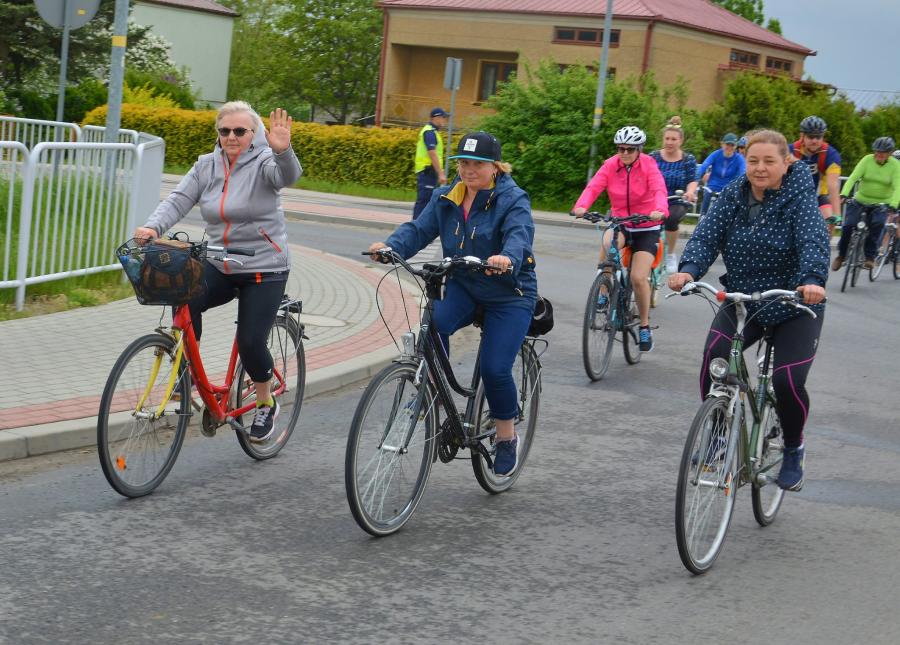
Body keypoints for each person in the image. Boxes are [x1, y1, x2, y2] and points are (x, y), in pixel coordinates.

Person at [368, 131, 537, 476]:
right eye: (463, 163)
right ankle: (432, 389)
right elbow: (419, 229)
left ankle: (506, 436)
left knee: (494, 368)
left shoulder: (512, 199)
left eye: (478, 164)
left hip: (509, 294)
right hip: (465, 286)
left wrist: (507, 257)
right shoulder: (446, 196)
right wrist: (391, 247)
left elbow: (519, 236)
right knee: (433, 325)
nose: (469, 169)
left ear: (495, 167)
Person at [668, 129, 829, 491]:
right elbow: (707, 235)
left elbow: (812, 242)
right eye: (753, 160)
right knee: (716, 356)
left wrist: (812, 280)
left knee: (787, 382)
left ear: (786, 162)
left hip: (794, 303)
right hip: (744, 300)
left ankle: (793, 448)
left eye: (769, 161)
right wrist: (689, 271)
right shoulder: (733, 195)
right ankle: (717, 432)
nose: (760, 168)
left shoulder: (801, 199)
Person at [134, 101, 302, 443]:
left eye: (240, 131)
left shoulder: (265, 163)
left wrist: (283, 152)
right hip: (220, 263)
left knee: (250, 340)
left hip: (264, 267)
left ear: (253, 133)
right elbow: (178, 200)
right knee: (184, 299)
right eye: (224, 131)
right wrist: (153, 227)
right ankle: (187, 376)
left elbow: (287, 176)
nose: (231, 137)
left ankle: (265, 402)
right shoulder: (206, 166)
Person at [572, 126, 668, 352]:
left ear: (639, 149)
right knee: (608, 243)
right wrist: (581, 206)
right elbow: (594, 186)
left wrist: (660, 210)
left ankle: (644, 326)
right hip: (622, 222)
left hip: (647, 225)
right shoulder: (610, 165)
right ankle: (604, 290)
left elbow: (659, 190)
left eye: (629, 149)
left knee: (638, 277)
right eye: (620, 148)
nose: (624, 153)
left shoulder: (649, 165)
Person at [834, 136, 900, 270]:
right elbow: (853, 178)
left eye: (883, 152)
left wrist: (893, 204)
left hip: (881, 203)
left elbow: (898, 186)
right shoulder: (867, 160)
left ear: (889, 153)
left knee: (878, 224)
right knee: (848, 226)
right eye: (877, 151)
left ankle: (869, 257)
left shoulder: (895, 165)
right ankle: (841, 256)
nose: (879, 154)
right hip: (860, 200)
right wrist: (844, 193)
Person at [649, 116, 699, 273]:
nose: (670, 142)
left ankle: (670, 254)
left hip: (676, 199)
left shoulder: (687, 159)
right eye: (667, 138)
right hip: (655, 198)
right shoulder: (653, 157)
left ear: (680, 141)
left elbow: (692, 180)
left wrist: (690, 192)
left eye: (673, 139)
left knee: (671, 219)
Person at [788, 116, 842, 236]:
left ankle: (823, 246)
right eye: (811, 137)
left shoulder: (831, 154)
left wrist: (836, 214)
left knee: (827, 226)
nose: (815, 141)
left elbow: (833, 185)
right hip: (793, 196)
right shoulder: (790, 150)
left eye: (818, 137)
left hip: (818, 197)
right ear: (802, 136)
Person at [696, 133, 746, 218]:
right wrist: (696, 180)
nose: (729, 147)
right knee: (706, 200)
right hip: (712, 187)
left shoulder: (739, 159)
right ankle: (702, 218)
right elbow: (704, 166)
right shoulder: (716, 154)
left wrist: (741, 186)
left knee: (729, 212)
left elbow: (742, 173)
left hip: (728, 188)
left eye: (732, 145)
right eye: (727, 144)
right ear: (722, 144)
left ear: (735, 146)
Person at [413, 107, 450, 219]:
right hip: (427, 171)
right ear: (436, 118)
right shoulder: (429, 132)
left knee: (429, 202)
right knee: (424, 202)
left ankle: (422, 226)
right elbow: (432, 153)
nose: (445, 120)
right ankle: (416, 226)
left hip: (430, 172)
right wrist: (441, 174)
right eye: (443, 117)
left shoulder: (433, 132)